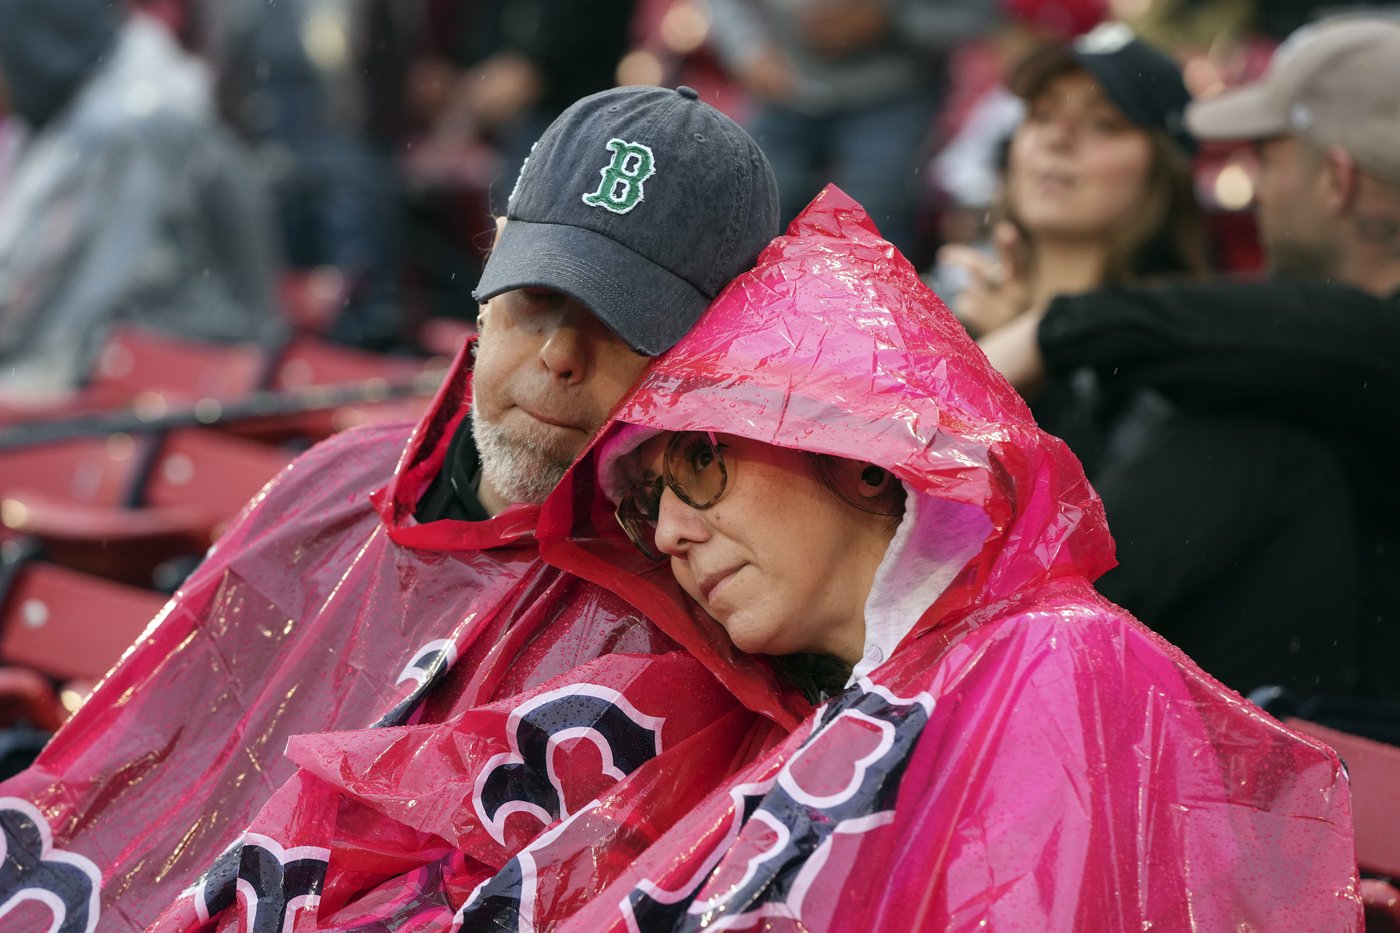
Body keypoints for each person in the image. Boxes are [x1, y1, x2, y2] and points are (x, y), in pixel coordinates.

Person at [0, 85, 795, 930]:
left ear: (712, 361)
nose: (561, 354)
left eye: (625, 323)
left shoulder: (702, 622)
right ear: (486, 298)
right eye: (538, 295)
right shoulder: (338, 480)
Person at [524, 185, 1359, 930]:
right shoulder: (785, 713)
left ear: (856, 451)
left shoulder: (1051, 660)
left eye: (698, 464)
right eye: (641, 506)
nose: (667, 534)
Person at [980, 13, 1400, 705]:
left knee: (1260, 445)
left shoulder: (1292, 347)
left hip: (1337, 759)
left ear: (1338, 181)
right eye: (1040, 115)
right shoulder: (1249, 344)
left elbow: (1350, 339)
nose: (1253, 186)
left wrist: (1048, 331)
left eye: (1264, 155)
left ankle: (985, 669)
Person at [0, 0, 285, 404]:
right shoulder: (106, 109)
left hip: (180, 389)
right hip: (160, 382)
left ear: (31, 50)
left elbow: (39, 305)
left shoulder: (121, 132)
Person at [702, 0, 993, 256]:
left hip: (894, 94)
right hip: (783, 86)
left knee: (871, 233)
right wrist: (748, 49)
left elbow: (976, 14)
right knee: (747, 217)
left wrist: (891, 15)